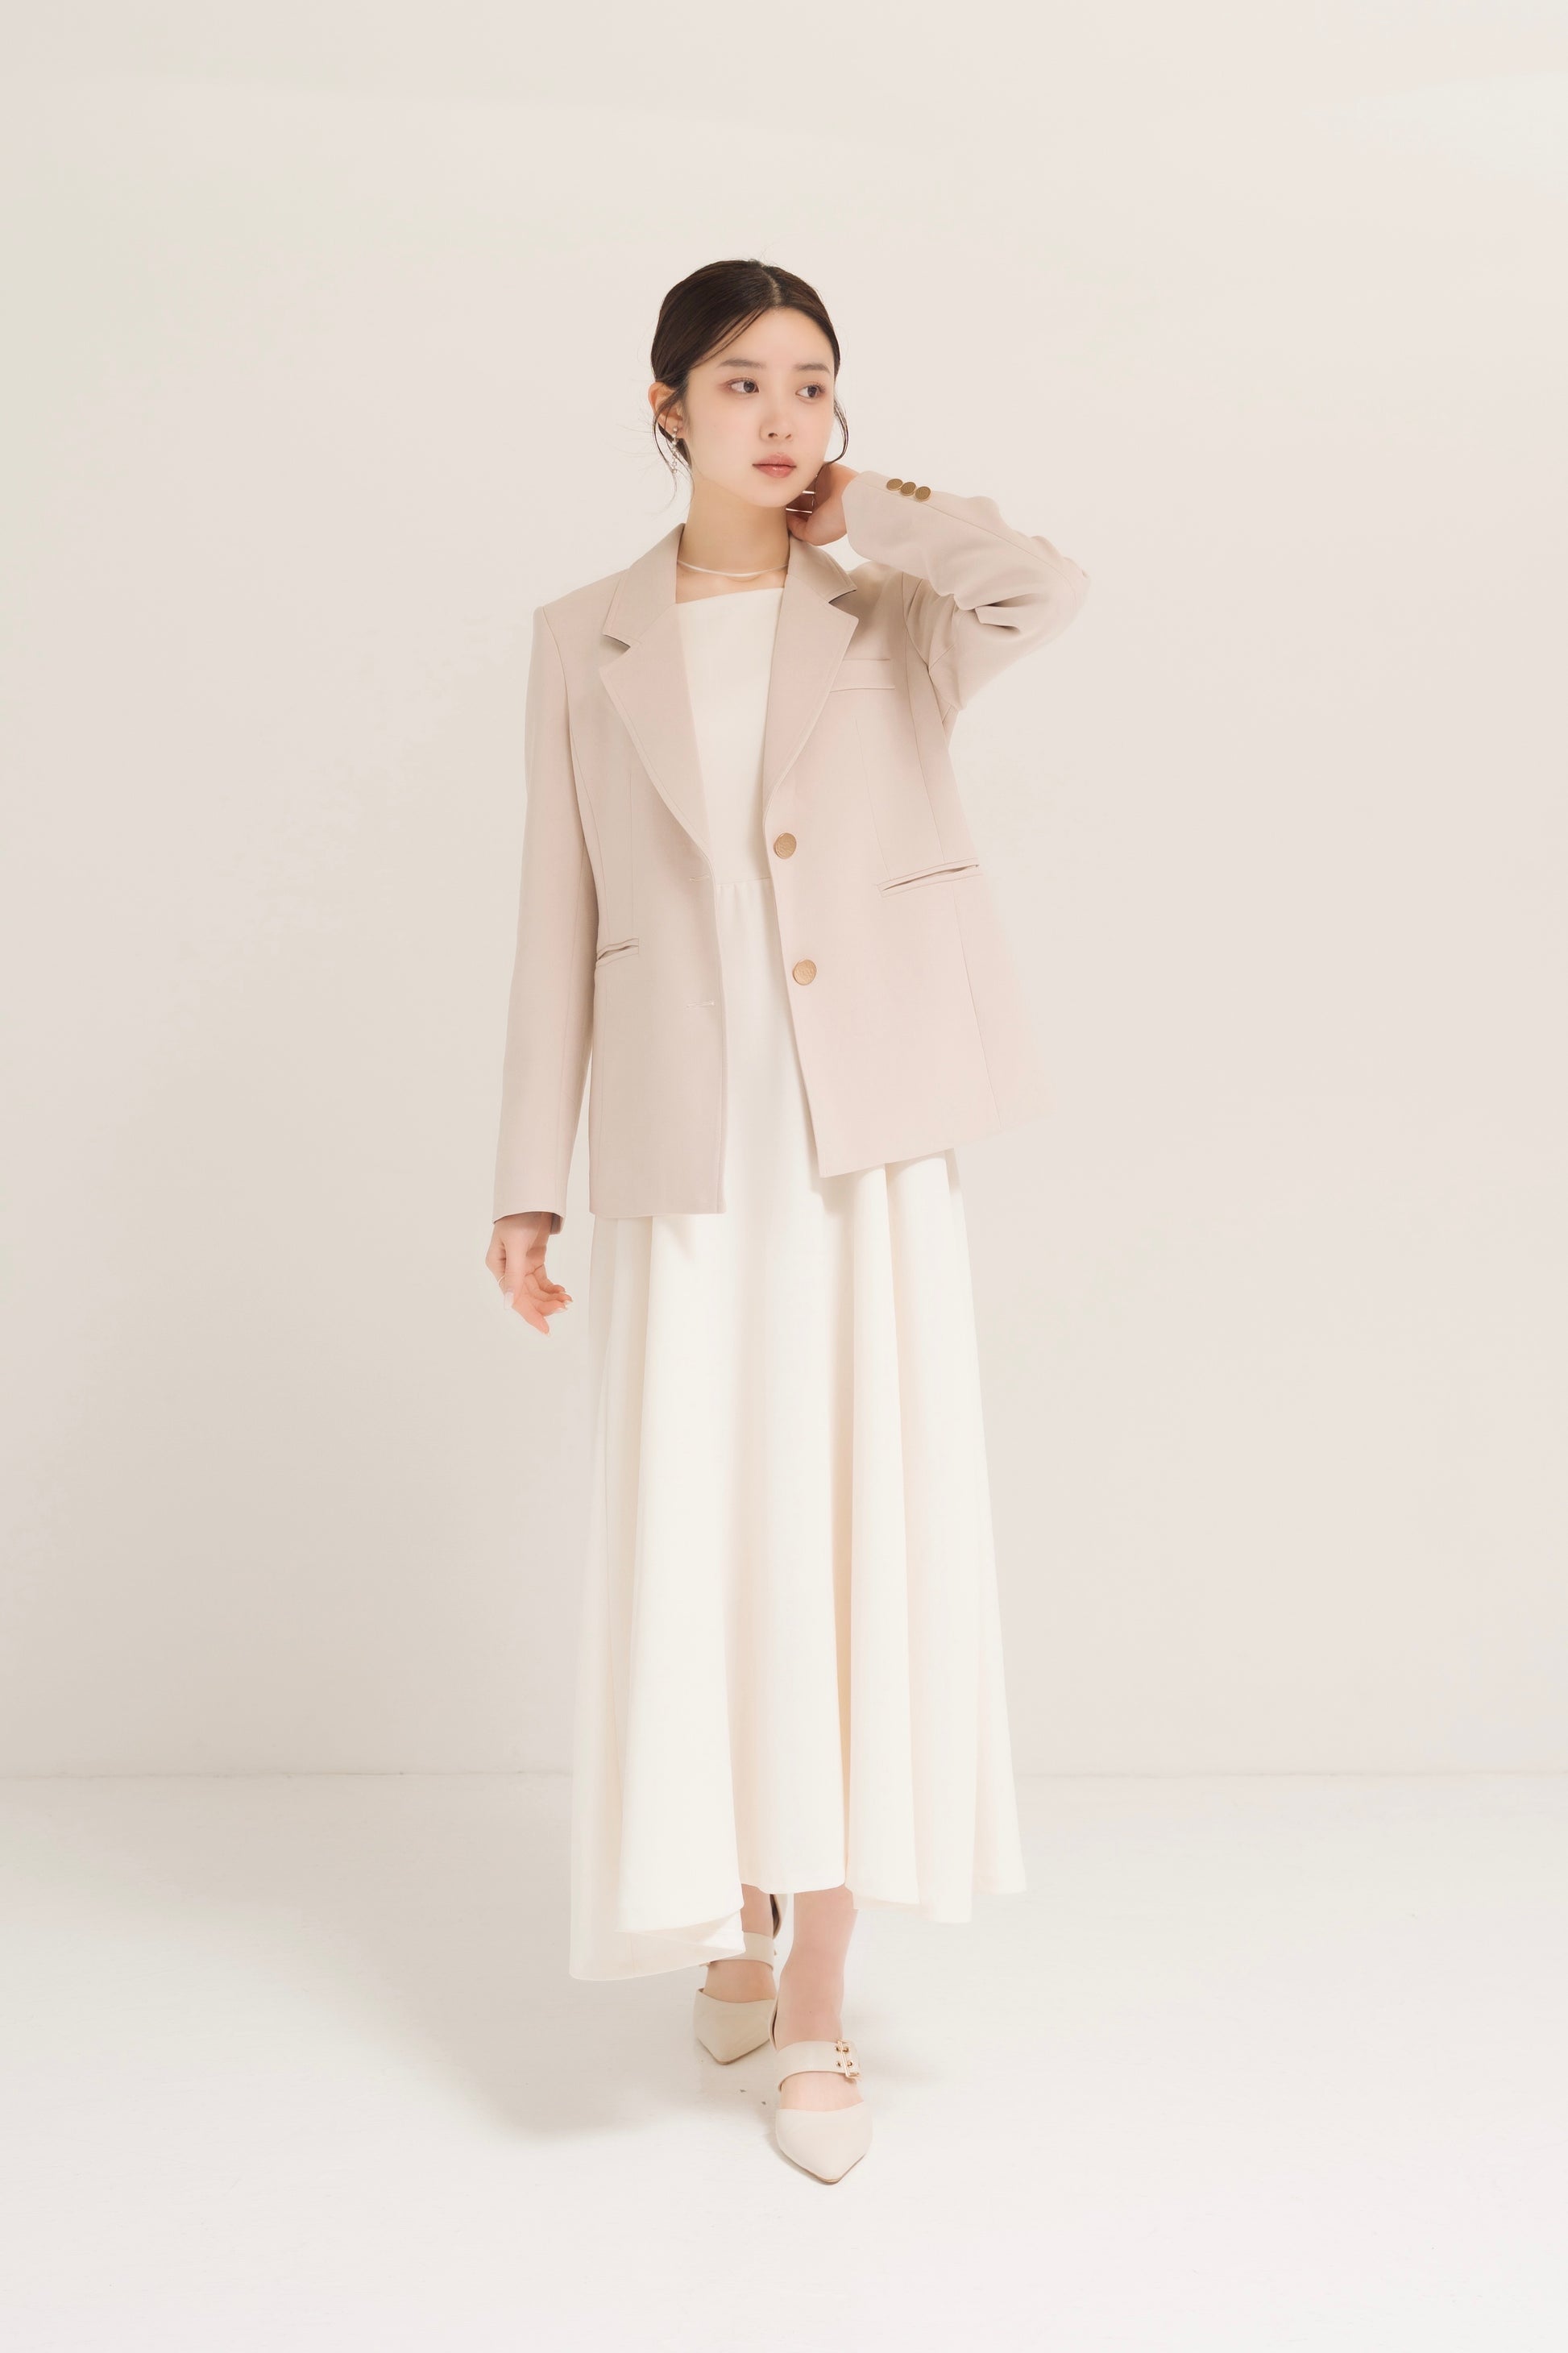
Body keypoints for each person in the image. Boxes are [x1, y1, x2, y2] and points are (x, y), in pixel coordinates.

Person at [484, 257, 1089, 2181]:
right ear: (664, 402)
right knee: (707, 1529)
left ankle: (815, 1996)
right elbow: (557, 913)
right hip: (685, 1152)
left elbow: (1042, 588)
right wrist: (526, 1175)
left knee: (841, 1533)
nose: (779, 413)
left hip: (856, 1147)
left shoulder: (889, 607)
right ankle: (725, 1915)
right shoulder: (580, 636)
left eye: (812, 382)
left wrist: (874, 506)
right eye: (741, 380)